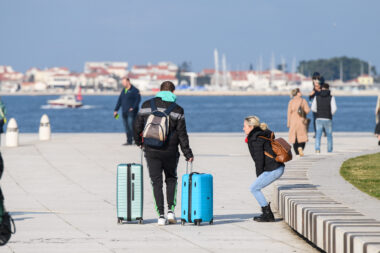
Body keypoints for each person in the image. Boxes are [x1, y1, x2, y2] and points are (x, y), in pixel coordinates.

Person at [134, 81, 194, 226]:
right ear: (173, 92)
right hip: (170, 151)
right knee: (171, 179)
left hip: (151, 149)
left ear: (160, 90)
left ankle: (160, 215)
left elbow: (137, 126)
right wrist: (187, 153)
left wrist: (139, 142)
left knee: (156, 182)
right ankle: (170, 211)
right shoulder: (178, 110)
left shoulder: (147, 105)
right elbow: (182, 134)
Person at [244, 116, 284, 222]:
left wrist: (259, 175)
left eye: (244, 126)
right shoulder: (260, 134)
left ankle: (267, 214)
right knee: (255, 188)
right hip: (275, 167)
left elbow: (259, 159)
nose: (243, 129)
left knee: (254, 188)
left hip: (274, 169)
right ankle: (266, 213)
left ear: (251, 127)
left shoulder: (255, 139)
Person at [114, 77, 141, 145]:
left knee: (131, 126)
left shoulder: (135, 90)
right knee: (126, 127)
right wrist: (116, 110)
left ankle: (135, 140)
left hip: (131, 112)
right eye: (122, 82)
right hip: (124, 111)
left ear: (128, 82)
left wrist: (133, 107)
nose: (123, 84)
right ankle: (129, 141)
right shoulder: (124, 90)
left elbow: (138, 100)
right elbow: (120, 100)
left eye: (124, 82)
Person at [311, 83, 337, 153]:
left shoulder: (317, 97)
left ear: (321, 88)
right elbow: (334, 109)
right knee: (329, 136)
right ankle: (329, 150)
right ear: (328, 89)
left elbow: (313, 108)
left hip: (319, 118)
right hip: (328, 118)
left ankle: (317, 148)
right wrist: (330, 113)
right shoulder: (331, 97)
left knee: (318, 135)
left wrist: (318, 112)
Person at [287, 88, 310, 157]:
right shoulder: (303, 101)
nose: (301, 93)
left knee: (294, 137)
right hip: (301, 120)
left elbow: (289, 113)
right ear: (297, 93)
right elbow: (307, 110)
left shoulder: (291, 101)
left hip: (293, 121)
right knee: (303, 136)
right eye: (300, 92)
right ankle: (301, 148)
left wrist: (288, 123)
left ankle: (297, 153)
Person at [309, 72, 324, 137]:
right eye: (314, 79)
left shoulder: (322, 82)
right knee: (315, 120)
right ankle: (316, 132)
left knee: (322, 119)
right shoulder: (314, 89)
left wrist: (318, 88)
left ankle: (323, 131)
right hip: (314, 106)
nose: (315, 81)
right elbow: (310, 97)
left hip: (321, 105)